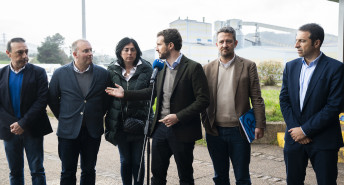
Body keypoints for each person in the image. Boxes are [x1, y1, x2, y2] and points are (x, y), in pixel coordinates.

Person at [106, 28, 210, 185]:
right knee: (157, 176)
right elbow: (150, 92)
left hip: (182, 130)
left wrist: (178, 117)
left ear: (170, 45)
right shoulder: (160, 68)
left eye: (159, 44)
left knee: (185, 176)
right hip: (160, 129)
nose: (156, 48)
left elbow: (203, 100)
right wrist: (125, 94)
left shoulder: (193, 67)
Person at [279, 23, 344, 185]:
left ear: (317, 43)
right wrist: (296, 130)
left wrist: (306, 130)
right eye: (296, 40)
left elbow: (334, 106)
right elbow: (284, 100)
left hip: (324, 140)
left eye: (302, 41)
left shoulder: (336, 68)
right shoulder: (290, 66)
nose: (296, 45)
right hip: (294, 138)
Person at [201, 26, 266, 185]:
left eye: (228, 41)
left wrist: (259, 124)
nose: (225, 44)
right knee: (219, 176)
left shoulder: (248, 66)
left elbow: (256, 97)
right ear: (216, 44)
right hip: (215, 131)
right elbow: (201, 100)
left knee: (242, 176)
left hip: (239, 130)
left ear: (235, 43)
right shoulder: (206, 69)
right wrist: (204, 123)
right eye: (221, 41)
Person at [48, 39, 112, 185]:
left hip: (92, 132)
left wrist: (95, 116)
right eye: (86, 51)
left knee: (89, 170)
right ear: (75, 54)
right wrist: (65, 117)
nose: (90, 54)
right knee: (67, 171)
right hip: (68, 132)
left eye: (91, 50)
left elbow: (106, 100)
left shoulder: (103, 74)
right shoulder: (60, 73)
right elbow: (52, 99)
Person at [0, 37, 53, 185]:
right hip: (10, 130)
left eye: (26, 52)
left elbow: (41, 101)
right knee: (15, 171)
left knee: (37, 170)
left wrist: (23, 123)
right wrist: (13, 124)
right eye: (20, 52)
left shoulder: (38, 72)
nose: (25, 56)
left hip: (33, 128)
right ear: (8, 53)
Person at [104, 37, 153, 185]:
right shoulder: (112, 69)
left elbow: (152, 92)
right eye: (126, 50)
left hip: (139, 122)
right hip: (119, 123)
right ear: (120, 52)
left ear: (137, 51)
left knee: (138, 162)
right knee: (125, 161)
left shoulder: (147, 68)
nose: (130, 53)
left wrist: (126, 94)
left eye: (133, 49)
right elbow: (106, 94)